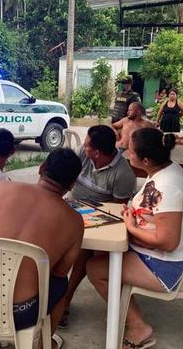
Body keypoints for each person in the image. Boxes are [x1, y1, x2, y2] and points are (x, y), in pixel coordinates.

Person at [86, 127, 183, 349]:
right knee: (102, 254)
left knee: (95, 269)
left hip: (170, 268)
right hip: (160, 256)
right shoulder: (164, 171)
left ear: (146, 160)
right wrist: (134, 213)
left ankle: (138, 326)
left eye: (130, 151)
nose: (126, 153)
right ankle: (124, 312)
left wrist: (131, 226)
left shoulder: (166, 186)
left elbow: (168, 241)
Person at [0, 148, 84, 349]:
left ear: (41, 169)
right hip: (23, 313)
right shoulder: (74, 221)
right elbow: (59, 272)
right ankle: (44, 343)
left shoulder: (1, 190)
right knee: (61, 285)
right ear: (71, 185)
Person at [60, 125, 136, 328]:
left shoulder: (123, 174)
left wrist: (89, 220)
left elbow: (115, 212)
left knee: (83, 251)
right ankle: (52, 295)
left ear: (97, 152)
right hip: (72, 208)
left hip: (99, 220)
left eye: (86, 145)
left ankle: (64, 300)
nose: (82, 147)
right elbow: (63, 180)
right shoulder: (82, 156)